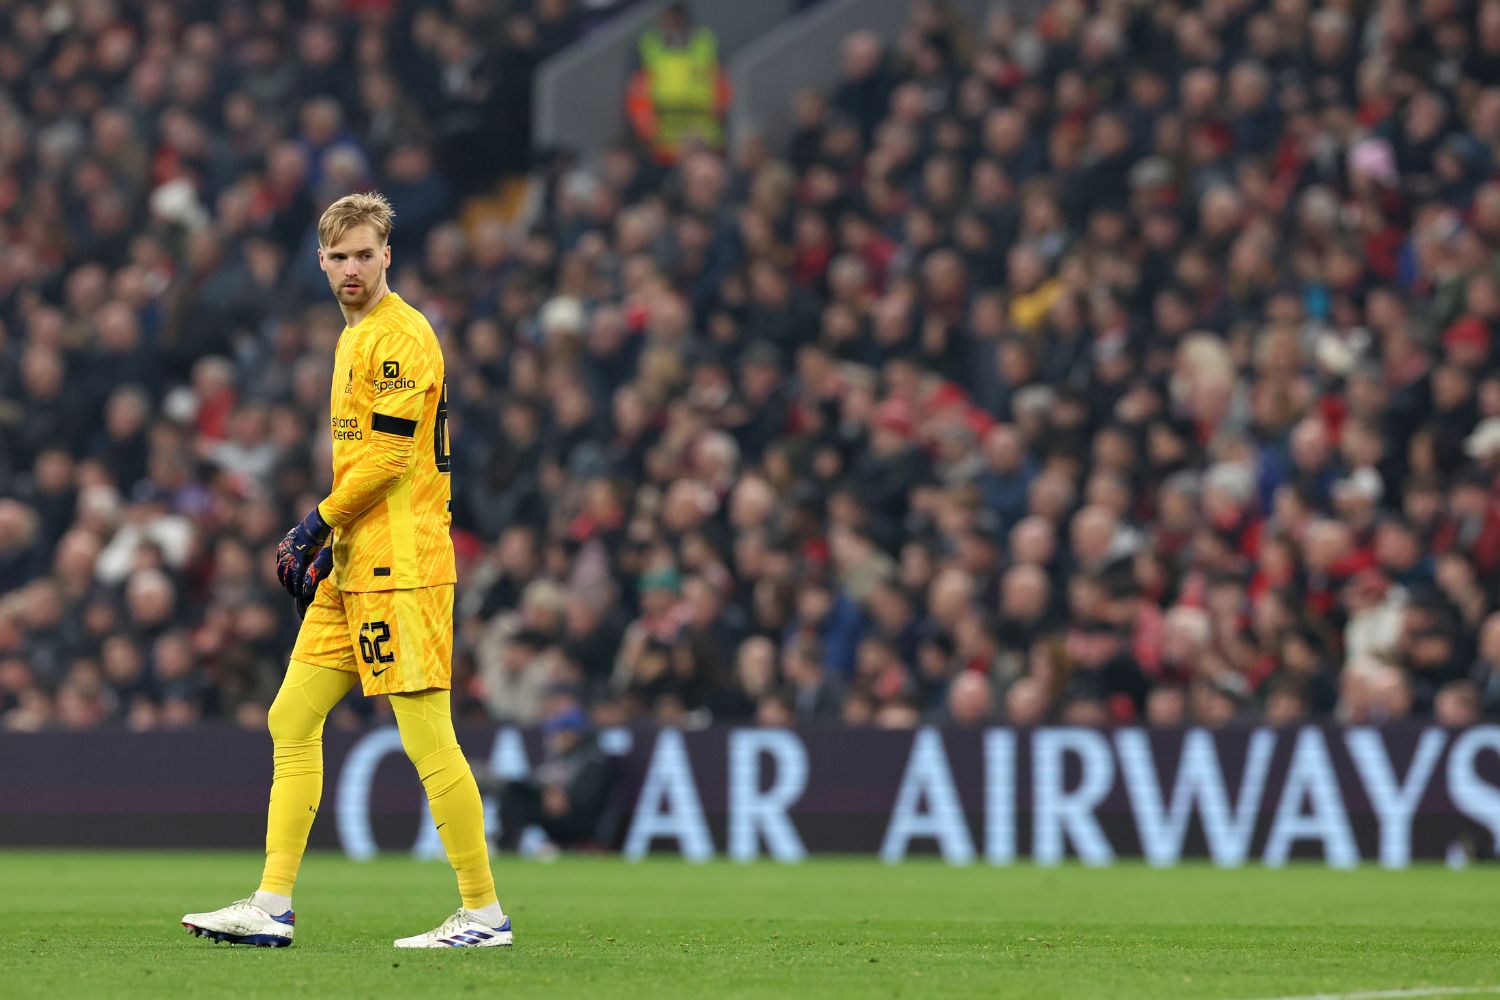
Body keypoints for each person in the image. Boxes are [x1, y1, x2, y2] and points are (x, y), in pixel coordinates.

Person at [181, 193, 511, 950]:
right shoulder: (354, 336)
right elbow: (366, 458)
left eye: (366, 253)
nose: (353, 268)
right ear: (321, 261)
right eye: (340, 256)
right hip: (356, 563)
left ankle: (484, 913)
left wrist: (314, 523)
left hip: (403, 565)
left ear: (388, 254)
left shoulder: (399, 337)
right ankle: (271, 904)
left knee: (427, 735)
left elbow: (393, 457)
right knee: (291, 717)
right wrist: (334, 540)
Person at [487, 706, 618, 854]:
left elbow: (585, 799)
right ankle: (508, 841)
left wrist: (563, 796)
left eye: (557, 733)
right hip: (559, 813)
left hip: (577, 820)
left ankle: (506, 844)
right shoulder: (564, 755)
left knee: (516, 798)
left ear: (571, 734)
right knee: (514, 790)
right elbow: (542, 778)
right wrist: (548, 790)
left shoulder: (593, 759)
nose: (552, 738)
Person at [626, 2, 731, 164]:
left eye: (674, 16)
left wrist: (719, 113)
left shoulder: (705, 43)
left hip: (705, 141)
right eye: (667, 17)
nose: (671, 22)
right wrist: (645, 130)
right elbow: (638, 91)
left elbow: (721, 85)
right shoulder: (648, 46)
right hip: (662, 145)